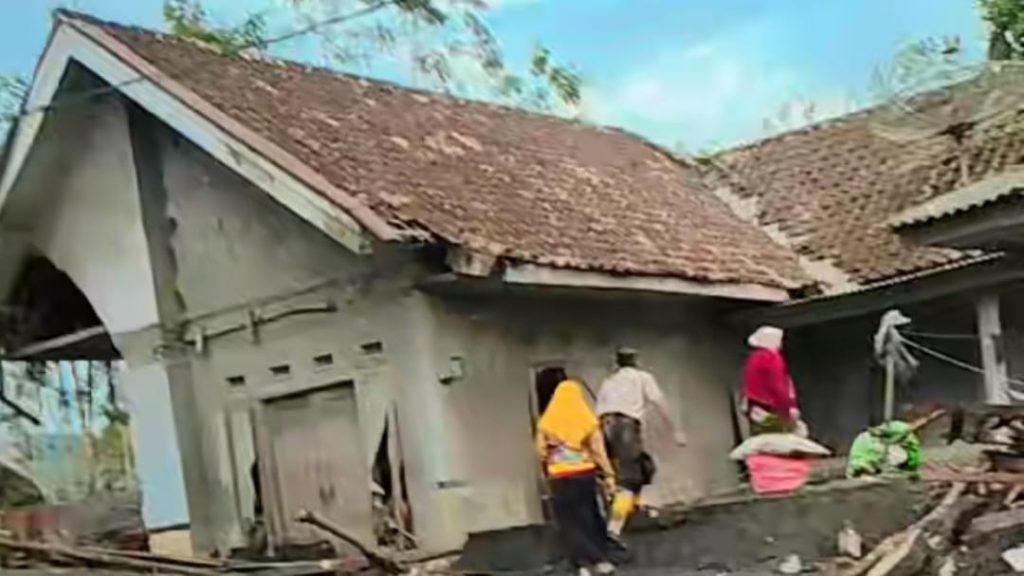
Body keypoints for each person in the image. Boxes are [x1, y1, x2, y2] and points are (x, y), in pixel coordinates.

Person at [596, 348, 686, 540]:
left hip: (605, 428)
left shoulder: (608, 382)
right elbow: (659, 401)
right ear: (635, 361)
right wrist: (675, 429)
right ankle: (614, 529)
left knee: (643, 468)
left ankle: (634, 511)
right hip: (625, 426)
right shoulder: (642, 377)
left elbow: (599, 413)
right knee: (629, 480)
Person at [535, 379, 617, 576]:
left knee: (568, 522)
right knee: (588, 517)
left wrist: (550, 465)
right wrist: (609, 474)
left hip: (559, 477)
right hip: (583, 476)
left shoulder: (547, 422)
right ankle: (599, 560)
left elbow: (540, 452)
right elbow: (598, 450)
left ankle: (580, 565)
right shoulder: (587, 420)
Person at [742, 326, 806, 436]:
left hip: (755, 410)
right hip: (769, 410)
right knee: (799, 432)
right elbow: (778, 386)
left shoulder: (754, 358)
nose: (781, 344)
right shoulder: (772, 358)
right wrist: (787, 411)